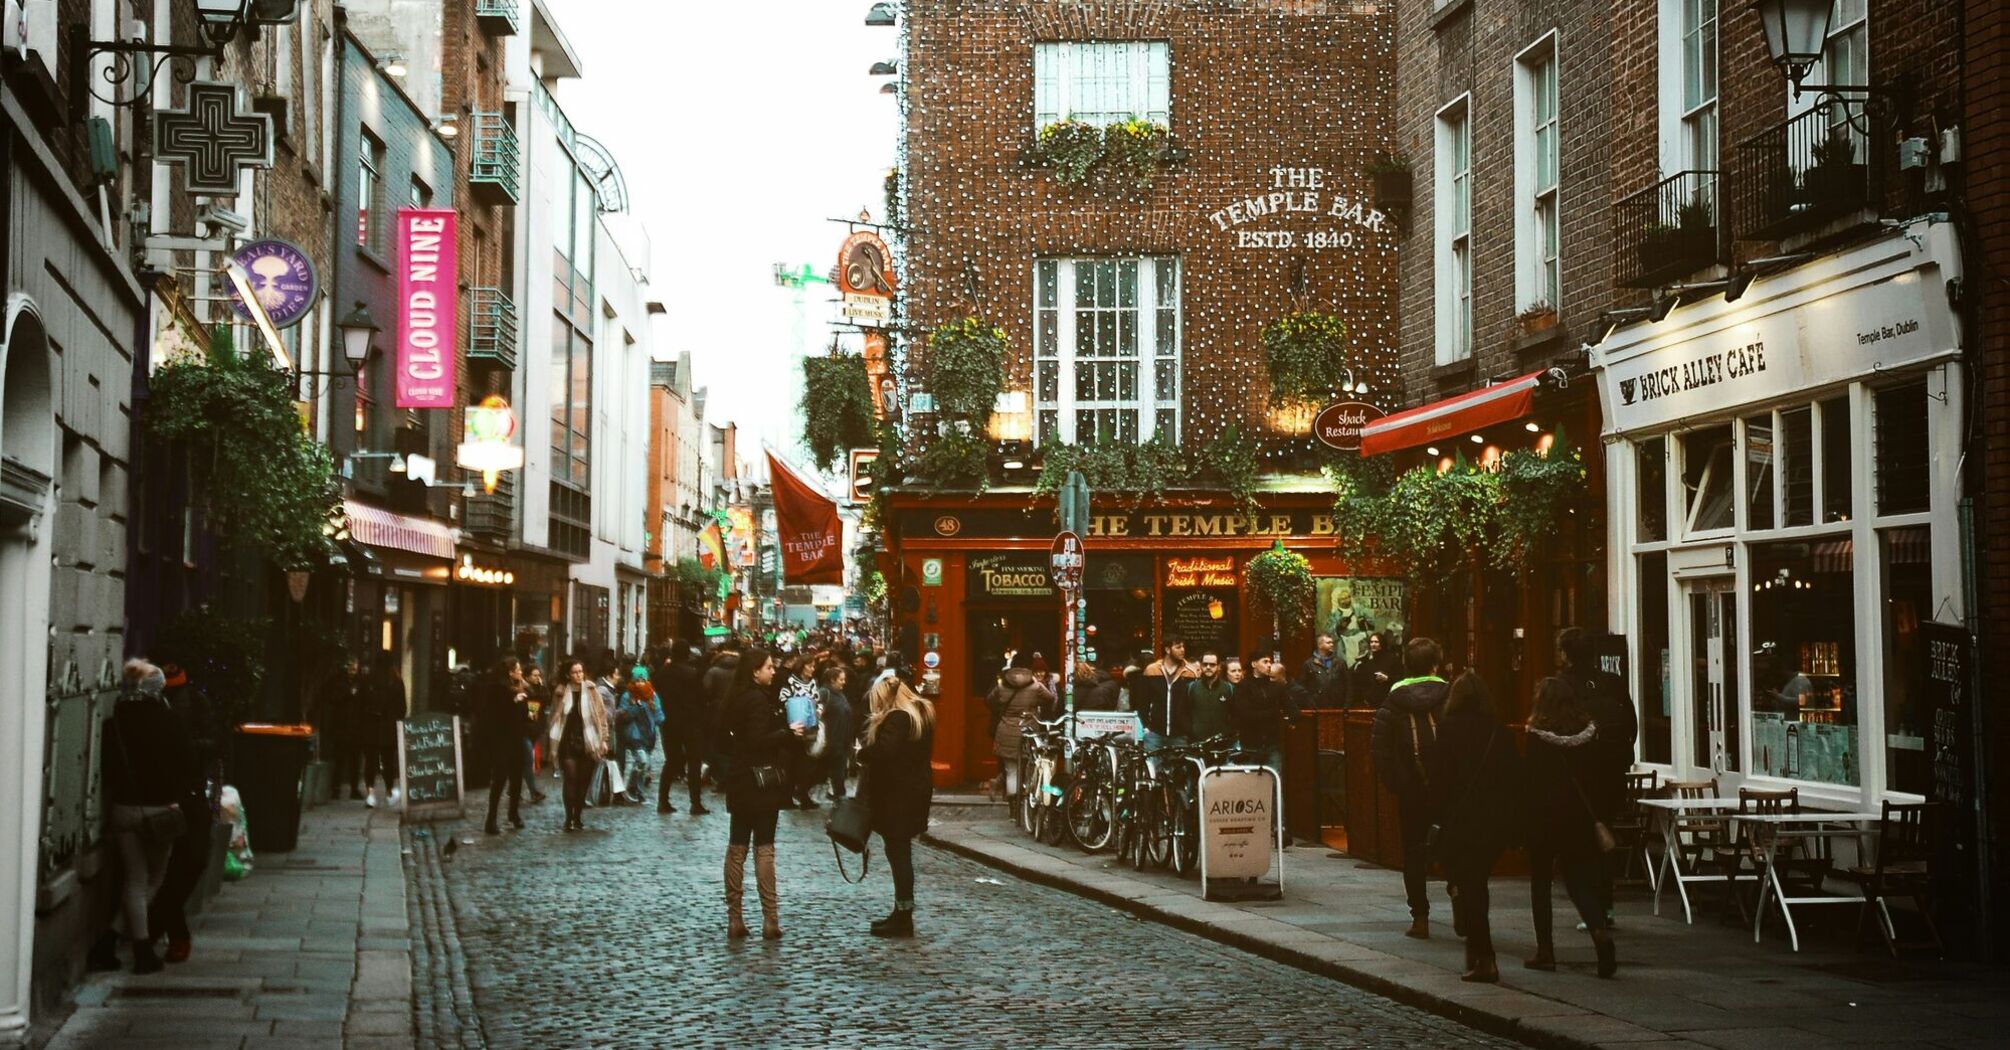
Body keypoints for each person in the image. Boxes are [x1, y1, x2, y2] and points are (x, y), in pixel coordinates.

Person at [1428, 672, 1522, 983]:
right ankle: (1476, 946)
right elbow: (1513, 779)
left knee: (1471, 887)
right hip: (1493, 821)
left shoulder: (1448, 730)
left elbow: (1438, 779)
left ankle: (1484, 956)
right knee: (1476, 882)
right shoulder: (1500, 732)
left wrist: (1437, 815)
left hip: (1460, 820)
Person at [105, 661, 199, 974]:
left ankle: (108, 944)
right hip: (160, 809)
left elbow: (108, 766)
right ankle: (141, 950)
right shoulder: (167, 718)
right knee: (154, 878)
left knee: (134, 878)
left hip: (123, 808)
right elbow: (187, 762)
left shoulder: (115, 717)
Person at [1523, 675, 1618, 977]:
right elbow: (1600, 779)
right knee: (1579, 883)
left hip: (1544, 818)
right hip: (1578, 819)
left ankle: (1545, 951)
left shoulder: (1537, 737)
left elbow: (1530, 782)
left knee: (1540, 884)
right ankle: (1600, 933)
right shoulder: (1590, 734)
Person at [719, 648, 806, 940]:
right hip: (761, 781)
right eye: (768, 667)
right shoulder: (757, 700)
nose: (773, 671)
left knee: (737, 847)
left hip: (739, 779)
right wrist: (787, 733)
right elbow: (758, 740)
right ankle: (770, 918)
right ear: (755, 671)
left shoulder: (736, 697)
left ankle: (735, 918)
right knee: (764, 848)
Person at [1556, 626, 1637, 927]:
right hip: (1612, 772)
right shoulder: (1612, 683)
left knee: (1580, 841)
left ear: (1566, 654)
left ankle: (1593, 907)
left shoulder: (1562, 685)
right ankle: (1606, 905)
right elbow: (1631, 724)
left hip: (1578, 774)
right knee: (1605, 832)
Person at [1370, 637, 1450, 939]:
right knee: (1454, 845)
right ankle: (1459, 898)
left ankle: (1420, 917)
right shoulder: (1450, 695)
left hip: (1411, 789)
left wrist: (1398, 783)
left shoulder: (1393, 700)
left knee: (1414, 851)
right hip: (1448, 787)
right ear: (1435, 665)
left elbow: (1380, 750)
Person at [146, 659, 214, 965]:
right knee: (169, 868)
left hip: (189, 793)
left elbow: (215, 743)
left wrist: (189, 746)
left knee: (190, 862)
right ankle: (168, 932)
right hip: (162, 795)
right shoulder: (150, 706)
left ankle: (157, 926)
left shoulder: (195, 702)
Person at [860, 675, 936, 937]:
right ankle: (901, 911)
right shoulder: (920, 715)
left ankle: (903, 916)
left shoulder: (899, 718)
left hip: (897, 796)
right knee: (900, 853)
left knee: (899, 854)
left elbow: (885, 752)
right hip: (913, 792)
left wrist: (862, 752)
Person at [546, 659, 612, 831]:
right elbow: (553, 717)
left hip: (588, 741)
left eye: (580, 671)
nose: (578, 675)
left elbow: (601, 716)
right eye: (575, 672)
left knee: (583, 780)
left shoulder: (591, 690)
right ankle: (568, 817)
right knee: (570, 778)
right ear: (568, 674)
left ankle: (578, 816)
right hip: (567, 741)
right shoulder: (561, 692)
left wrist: (604, 739)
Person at [990, 652, 1059, 804]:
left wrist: (1004, 711)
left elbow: (989, 700)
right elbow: (1050, 698)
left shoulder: (1002, 685)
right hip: (1028, 729)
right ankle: (1028, 801)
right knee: (1029, 765)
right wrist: (1035, 706)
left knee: (1011, 770)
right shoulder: (1035, 686)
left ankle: (1013, 807)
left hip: (1006, 729)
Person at [476, 656, 529, 835]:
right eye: (519, 669)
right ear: (510, 671)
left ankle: (513, 813)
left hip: (516, 739)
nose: (521, 673)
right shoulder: (499, 689)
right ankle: (491, 818)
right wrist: (515, 702)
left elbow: (527, 713)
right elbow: (496, 715)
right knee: (500, 778)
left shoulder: (519, 687)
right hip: (501, 741)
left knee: (516, 778)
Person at [659, 643, 711, 815]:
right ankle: (695, 803)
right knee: (694, 762)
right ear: (687, 654)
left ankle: (663, 800)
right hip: (691, 722)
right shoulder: (692, 674)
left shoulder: (663, 673)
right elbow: (702, 697)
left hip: (669, 722)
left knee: (671, 761)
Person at [1229, 649, 1292, 775]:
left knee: (1274, 782)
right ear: (1254, 664)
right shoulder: (1243, 686)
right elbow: (1245, 715)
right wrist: (1274, 713)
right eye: (1265, 661)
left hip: (1272, 744)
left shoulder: (1276, 687)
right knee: (1252, 785)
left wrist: (1288, 720)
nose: (1269, 665)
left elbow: (1292, 708)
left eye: (1270, 662)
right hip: (1250, 745)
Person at [315, 658, 367, 800]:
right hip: (342, 725)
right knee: (339, 758)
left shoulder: (361, 681)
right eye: (350, 666)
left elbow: (364, 702)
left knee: (354, 760)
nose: (353, 669)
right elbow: (331, 698)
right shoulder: (338, 681)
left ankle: (354, 789)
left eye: (355, 666)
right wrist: (347, 694)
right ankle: (336, 788)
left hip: (356, 726)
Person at [778, 652, 823, 809]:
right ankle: (787, 797)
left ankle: (803, 795)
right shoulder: (790, 681)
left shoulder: (813, 682)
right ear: (802, 666)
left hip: (810, 729)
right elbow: (783, 699)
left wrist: (818, 709)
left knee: (808, 764)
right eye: (810, 666)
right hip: (794, 728)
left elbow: (818, 700)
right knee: (791, 763)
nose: (812, 669)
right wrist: (798, 706)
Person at [361, 662, 408, 808]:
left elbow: (361, 703)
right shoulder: (396, 681)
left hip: (371, 727)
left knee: (370, 762)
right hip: (389, 728)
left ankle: (371, 794)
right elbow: (403, 707)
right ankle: (389, 792)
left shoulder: (369, 680)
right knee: (388, 761)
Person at [1138, 634, 1198, 745]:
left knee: (1178, 762)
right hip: (1155, 733)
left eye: (1183, 647)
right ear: (1167, 650)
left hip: (1180, 735)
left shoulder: (1191, 672)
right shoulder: (1152, 670)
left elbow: (1195, 704)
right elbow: (1143, 701)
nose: (1182, 650)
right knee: (1152, 763)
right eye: (1178, 647)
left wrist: (1189, 729)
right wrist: (1146, 726)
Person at [615, 668, 660, 805]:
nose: (640, 683)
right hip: (634, 735)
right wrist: (636, 706)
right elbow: (623, 716)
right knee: (642, 761)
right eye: (637, 680)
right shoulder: (627, 696)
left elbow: (659, 715)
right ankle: (631, 788)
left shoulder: (652, 695)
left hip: (648, 735)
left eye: (643, 680)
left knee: (644, 765)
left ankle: (638, 791)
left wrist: (655, 711)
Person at [1181, 649, 1234, 742]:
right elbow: (1183, 714)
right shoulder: (1191, 688)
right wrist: (1191, 732)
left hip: (1222, 744)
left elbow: (1234, 715)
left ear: (1218, 667)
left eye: (1212, 665)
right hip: (1196, 743)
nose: (1208, 667)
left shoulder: (1229, 689)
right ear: (1201, 666)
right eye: (1205, 664)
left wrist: (1227, 733)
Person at [819, 663, 854, 801]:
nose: (844, 682)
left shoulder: (840, 695)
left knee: (839, 772)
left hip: (842, 739)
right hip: (833, 740)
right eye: (841, 679)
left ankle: (838, 797)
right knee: (837, 772)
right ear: (833, 680)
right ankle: (839, 799)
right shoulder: (824, 693)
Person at [1297, 632, 1351, 710]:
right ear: (1320, 645)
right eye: (1328, 643)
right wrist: (1309, 705)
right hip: (1316, 708)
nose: (1332, 645)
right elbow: (1302, 688)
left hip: (1337, 708)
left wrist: (1346, 707)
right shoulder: (1309, 664)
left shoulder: (1340, 663)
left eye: (1332, 642)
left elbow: (1349, 686)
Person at [1350, 632, 1400, 710]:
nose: (1373, 644)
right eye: (1371, 642)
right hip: (1369, 703)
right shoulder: (1367, 661)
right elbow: (1360, 681)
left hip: (1387, 702)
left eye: (1376, 642)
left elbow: (1400, 678)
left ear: (1382, 643)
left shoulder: (1392, 659)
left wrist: (1387, 678)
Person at [521, 665, 549, 804]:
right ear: (527, 677)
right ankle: (533, 792)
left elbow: (545, 699)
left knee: (523, 762)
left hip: (534, 730)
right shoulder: (525, 689)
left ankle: (514, 790)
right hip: (524, 730)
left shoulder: (539, 689)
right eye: (534, 675)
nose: (537, 678)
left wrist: (542, 687)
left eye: (539, 675)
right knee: (527, 760)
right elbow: (533, 708)